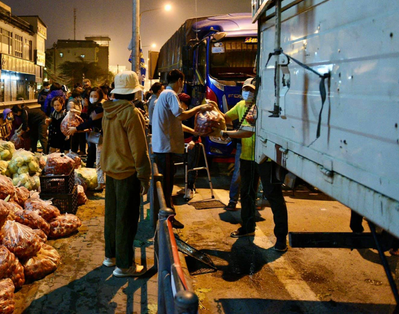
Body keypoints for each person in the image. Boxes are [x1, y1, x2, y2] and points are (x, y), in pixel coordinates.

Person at [221, 77, 289, 252]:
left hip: (265, 158)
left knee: (274, 196)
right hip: (246, 157)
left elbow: (246, 132)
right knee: (246, 194)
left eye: (252, 89)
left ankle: (281, 238)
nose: (248, 92)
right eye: (245, 89)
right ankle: (248, 227)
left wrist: (225, 132)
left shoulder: (265, 108)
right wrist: (210, 111)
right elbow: (225, 118)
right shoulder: (241, 106)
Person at [101, 71, 151, 277]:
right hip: (127, 172)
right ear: (133, 93)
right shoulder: (131, 112)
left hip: (111, 170)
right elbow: (139, 148)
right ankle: (124, 265)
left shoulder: (108, 110)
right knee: (126, 219)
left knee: (112, 216)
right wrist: (144, 174)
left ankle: (110, 256)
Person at [152, 69, 209, 228]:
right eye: (182, 82)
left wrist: (194, 131)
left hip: (162, 147)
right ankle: (167, 220)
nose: (182, 85)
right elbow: (181, 115)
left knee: (166, 185)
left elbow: (176, 122)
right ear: (179, 81)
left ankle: (165, 218)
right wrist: (199, 108)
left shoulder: (163, 95)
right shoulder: (170, 95)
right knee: (167, 185)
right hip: (166, 149)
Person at [68, 87, 105, 189]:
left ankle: (101, 183)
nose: (92, 98)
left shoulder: (100, 108)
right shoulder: (94, 107)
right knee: (97, 159)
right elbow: (87, 118)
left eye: (95, 96)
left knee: (99, 160)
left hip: (101, 136)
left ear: (100, 97)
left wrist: (76, 128)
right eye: (91, 96)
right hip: (96, 136)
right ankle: (101, 181)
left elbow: (90, 121)